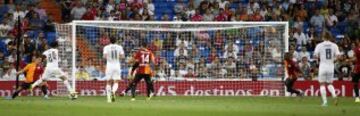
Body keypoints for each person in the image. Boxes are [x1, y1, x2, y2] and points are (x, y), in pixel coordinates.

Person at [313, 31, 340, 106]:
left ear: (323, 37)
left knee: (322, 84)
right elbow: (338, 56)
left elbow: (315, 56)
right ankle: (334, 96)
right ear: (330, 37)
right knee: (329, 84)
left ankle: (325, 102)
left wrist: (319, 58)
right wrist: (333, 60)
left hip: (323, 66)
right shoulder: (334, 45)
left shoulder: (319, 45)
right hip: (331, 66)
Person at [103, 37, 125, 103]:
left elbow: (104, 56)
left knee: (108, 82)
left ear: (109, 40)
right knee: (116, 81)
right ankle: (113, 91)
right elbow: (122, 56)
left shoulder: (106, 47)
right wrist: (117, 58)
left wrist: (109, 58)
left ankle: (108, 99)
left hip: (109, 65)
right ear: (116, 40)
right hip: (117, 65)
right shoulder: (119, 47)